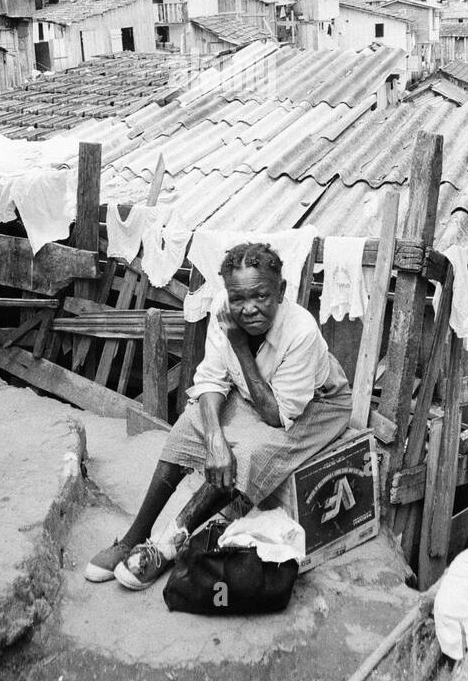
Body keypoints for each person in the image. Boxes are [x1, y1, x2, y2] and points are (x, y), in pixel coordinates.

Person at [85, 240, 353, 590]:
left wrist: (240, 346)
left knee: (247, 453)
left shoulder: (300, 332)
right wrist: (214, 438)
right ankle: (133, 537)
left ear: (281, 290)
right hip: (256, 392)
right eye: (239, 298)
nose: (249, 309)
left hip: (316, 406)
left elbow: (276, 415)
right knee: (189, 425)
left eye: (261, 297)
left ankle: (166, 545)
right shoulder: (223, 312)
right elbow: (212, 378)